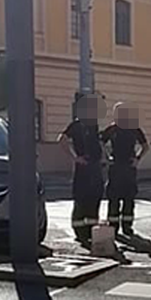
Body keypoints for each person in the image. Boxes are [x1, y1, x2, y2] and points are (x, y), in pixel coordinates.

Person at [59, 93, 105, 248]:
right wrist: (75, 157)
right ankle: (80, 232)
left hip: (95, 167)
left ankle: (91, 230)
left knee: (95, 198)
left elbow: (98, 145)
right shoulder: (77, 125)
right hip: (84, 167)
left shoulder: (94, 125)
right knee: (81, 199)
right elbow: (62, 140)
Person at [101, 101, 149, 238]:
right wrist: (106, 157)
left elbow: (145, 146)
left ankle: (127, 227)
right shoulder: (112, 129)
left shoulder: (134, 128)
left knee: (129, 199)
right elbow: (101, 142)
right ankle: (113, 227)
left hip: (129, 167)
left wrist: (137, 159)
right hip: (115, 166)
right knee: (113, 199)